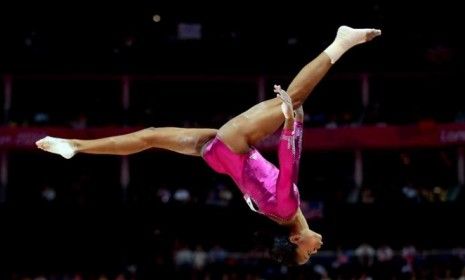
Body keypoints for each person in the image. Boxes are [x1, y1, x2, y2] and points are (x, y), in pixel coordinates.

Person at [36, 25, 381, 265]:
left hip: (233, 143)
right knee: (150, 136)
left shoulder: (287, 210)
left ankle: (342, 41)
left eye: (307, 254)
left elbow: (290, 161)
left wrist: (291, 123)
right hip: (215, 155)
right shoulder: (277, 215)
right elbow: (260, 183)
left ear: (295, 240)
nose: (314, 250)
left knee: (296, 99)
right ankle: (75, 146)